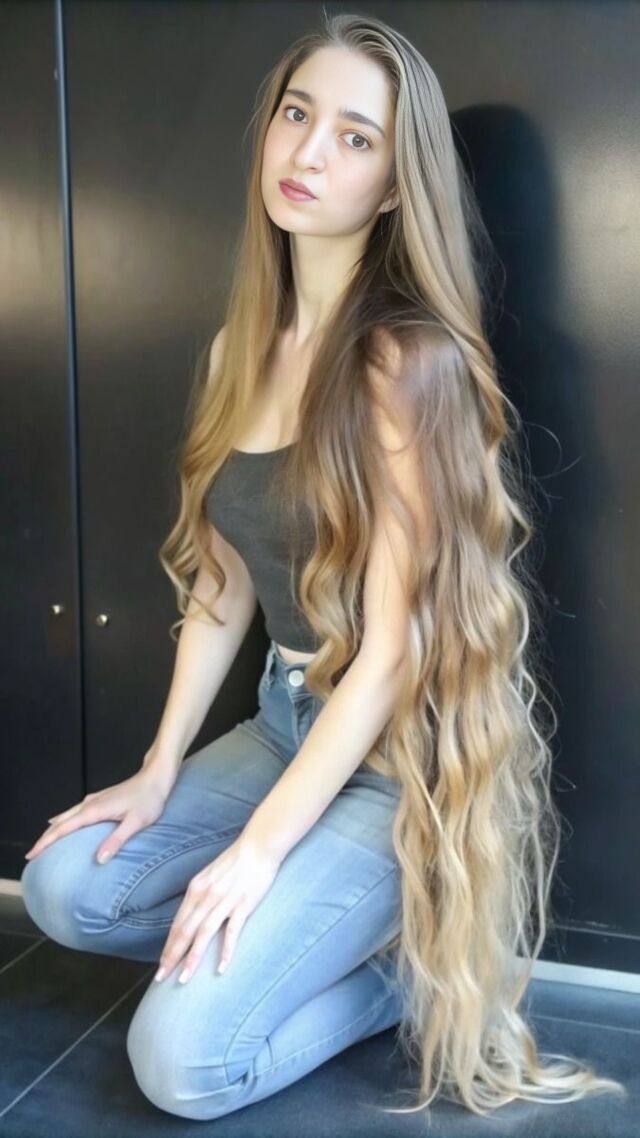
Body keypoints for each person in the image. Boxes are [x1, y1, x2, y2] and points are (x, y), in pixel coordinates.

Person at [20, 9, 625, 1124]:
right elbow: (222, 588)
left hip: (394, 760)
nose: (308, 152)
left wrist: (258, 853)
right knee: (65, 888)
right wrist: (157, 768)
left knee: (184, 1064)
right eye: (297, 115)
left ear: (393, 186)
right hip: (282, 724)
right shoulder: (237, 349)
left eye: (355, 137)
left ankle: (416, 967)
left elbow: (391, 652)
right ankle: (311, 941)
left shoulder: (405, 363)